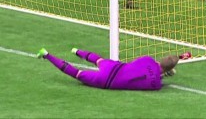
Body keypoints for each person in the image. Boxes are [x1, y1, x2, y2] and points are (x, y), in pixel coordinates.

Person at [37, 48, 179, 90]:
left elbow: (139, 67)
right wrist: (162, 75)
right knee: (77, 74)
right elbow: (147, 80)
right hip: (109, 81)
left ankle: (76, 51)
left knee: (99, 60)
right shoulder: (156, 86)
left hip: (115, 67)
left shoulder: (148, 59)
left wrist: (162, 72)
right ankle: (46, 54)